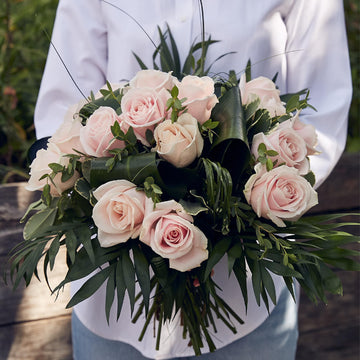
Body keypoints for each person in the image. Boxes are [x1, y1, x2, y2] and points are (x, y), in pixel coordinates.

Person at [34, 1, 352, 359]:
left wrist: (238, 207)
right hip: (117, 294)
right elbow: (64, 111)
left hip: (244, 289)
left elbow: (321, 109)